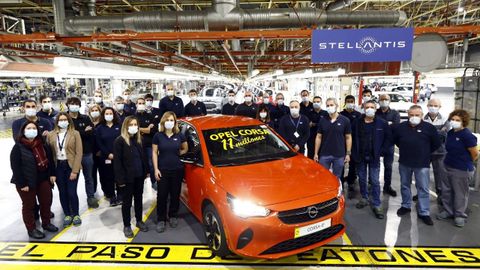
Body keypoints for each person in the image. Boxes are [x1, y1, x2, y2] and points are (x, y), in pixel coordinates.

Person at [393, 105, 441, 226]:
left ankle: (424, 212)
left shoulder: (429, 128)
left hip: (422, 164)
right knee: (405, 185)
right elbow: (397, 142)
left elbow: (435, 144)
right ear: (408, 115)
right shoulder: (400, 127)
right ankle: (406, 205)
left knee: (423, 188)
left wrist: (424, 152)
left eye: (417, 115)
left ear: (421, 115)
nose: (414, 117)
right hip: (405, 162)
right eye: (411, 115)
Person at [10, 121, 58, 239]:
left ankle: (46, 223)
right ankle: (31, 229)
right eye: (28, 128)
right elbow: (15, 167)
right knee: (29, 205)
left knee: (46, 201)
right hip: (26, 182)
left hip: (43, 179)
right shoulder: (18, 147)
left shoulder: (42, 144)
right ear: (23, 131)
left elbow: (50, 160)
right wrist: (22, 183)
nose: (32, 130)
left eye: (34, 128)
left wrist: (52, 174)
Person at [437, 110, 478, 227]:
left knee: (460, 193)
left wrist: (465, 163)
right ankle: (448, 211)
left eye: (458, 120)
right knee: (447, 190)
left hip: (462, 169)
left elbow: (474, 154)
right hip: (447, 165)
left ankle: (459, 215)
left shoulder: (467, 135)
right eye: (453, 120)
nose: (454, 122)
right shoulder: (450, 133)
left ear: (463, 122)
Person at [351, 101, 391, 219]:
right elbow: (350, 137)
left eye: (372, 107)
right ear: (363, 109)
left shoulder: (382, 123)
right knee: (362, 179)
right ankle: (364, 198)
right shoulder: (356, 123)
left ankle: (377, 204)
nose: (369, 109)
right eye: (367, 107)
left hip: (374, 157)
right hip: (360, 156)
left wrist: (381, 151)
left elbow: (388, 139)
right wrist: (353, 152)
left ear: (375, 109)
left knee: (374, 181)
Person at [152, 111, 188, 233]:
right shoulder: (158, 136)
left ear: (175, 122)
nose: (169, 122)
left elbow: (185, 148)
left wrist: (179, 154)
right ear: (163, 121)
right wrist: (156, 169)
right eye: (167, 120)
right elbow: (154, 153)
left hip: (177, 170)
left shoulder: (179, 135)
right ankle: (161, 219)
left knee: (175, 194)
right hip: (163, 170)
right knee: (161, 195)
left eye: (171, 120)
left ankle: (173, 215)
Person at [114, 116, 149, 237]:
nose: (134, 127)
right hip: (127, 179)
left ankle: (139, 220)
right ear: (125, 126)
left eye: (135, 124)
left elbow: (143, 157)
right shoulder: (120, 141)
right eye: (131, 124)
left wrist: (146, 172)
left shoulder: (139, 140)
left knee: (139, 199)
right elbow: (117, 163)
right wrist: (120, 180)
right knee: (127, 202)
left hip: (139, 176)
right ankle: (127, 225)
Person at [47, 113, 83, 227]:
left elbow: (79, 153)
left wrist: (75, 170)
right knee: (62, 192)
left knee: (72, 192)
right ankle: (67, 214)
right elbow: (49, 155)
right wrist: (52, 173)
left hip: (71, 166)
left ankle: (76, 214)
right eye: (60, 120)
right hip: (58, 166)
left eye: (65, 119)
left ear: (68, 121)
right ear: (57, 121)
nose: (63, 121)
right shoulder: (51, 135)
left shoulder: (75, 133)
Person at [67, 97, 98, 209]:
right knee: (72, 178)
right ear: (68, 105)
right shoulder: (65, 119)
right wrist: (83, 132)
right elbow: (68, 135)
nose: (74, 105)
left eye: (76, 103)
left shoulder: (85, 118)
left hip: (86, 153)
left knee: (89, 177)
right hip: (72, 155)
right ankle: (71, 200)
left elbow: (91, 132)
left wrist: (78, 133)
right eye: (71, 103)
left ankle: (91, 197)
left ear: (79, 106)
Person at [314, 98, 352, 180]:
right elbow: (318, 137)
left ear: (337, 106)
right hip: (324, 154)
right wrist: (316, 153)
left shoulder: (345, 120)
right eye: (327, 105)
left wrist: (348, 154)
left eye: (331, 105)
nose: (329, 107)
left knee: (337, 178)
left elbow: (348, 137)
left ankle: (337, 192)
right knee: (323, 177)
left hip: (339, 155)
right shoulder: (322, 120)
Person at [95, 107, 122, 206]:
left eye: (111, 113)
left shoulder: (119, 126)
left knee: (119, 176)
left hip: (119, 156)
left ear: (114, 115)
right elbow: (99, 143)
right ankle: (112, 196)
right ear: (103, 115)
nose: (109, 115)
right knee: (108, 177)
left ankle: (120, 195)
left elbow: (122, 140)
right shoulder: (99, 128)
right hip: (106, 157)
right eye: (107, 113)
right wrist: (108, 154)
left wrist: (117, 154)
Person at [424, 98, 449, 203]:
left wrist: (430, 133)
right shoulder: (422, 118)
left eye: (435, 105)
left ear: (440, 107)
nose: (433, 107)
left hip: (439, 152)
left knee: (440, 175)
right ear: (427, 106)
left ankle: (441, 195)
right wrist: (437, 132)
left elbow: (444, 135)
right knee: (422, 174)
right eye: (431, 105)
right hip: (424, 151)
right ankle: (421, 193)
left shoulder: (444, 119)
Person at [376, 94, 400, 197]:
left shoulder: (395, 113)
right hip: (376, 143)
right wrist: (388, 124)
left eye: (386, 99)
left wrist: (382, 124)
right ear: (378, 101)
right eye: (382, 99)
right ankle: (373, 185)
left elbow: (395, 127)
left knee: (388, 166)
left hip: (389, 144)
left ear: (389, 101)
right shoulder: (375, 112)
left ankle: (387, 186)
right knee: (374, 166)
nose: (384, 101)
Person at [340, 95, 362, 198]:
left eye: (351, 101)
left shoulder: (358, 115)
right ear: (345, 102)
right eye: (348, 101)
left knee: (352, 163)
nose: (350, 103)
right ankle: (341, 179)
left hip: (355, 142)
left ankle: (351, 181)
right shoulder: (341, 114)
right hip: (342, 142)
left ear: (354, 102)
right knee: (341, 162)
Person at [135, 97, 157, 190]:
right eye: (139, 103)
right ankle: (139, 183)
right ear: (136, 105)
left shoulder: (150, 116)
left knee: (151, 164)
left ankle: (153, 182)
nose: (141, 105)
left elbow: (153, 130)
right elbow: (132, 130)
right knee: (139, 165)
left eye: (142, 103)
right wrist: (146, 129)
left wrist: (139, 129)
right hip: (137, 145)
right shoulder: (132, 117)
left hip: (148, 144)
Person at [88, 104, 102, 192]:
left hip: (101, 152)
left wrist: (101, 150)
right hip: (90, 153)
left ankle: (107, 191)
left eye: (96, 110)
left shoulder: (103, 123)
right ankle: (93, 191)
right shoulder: (87, 123)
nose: (94, 112)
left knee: (104, 174)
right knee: (91, 174)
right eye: (92, 111)